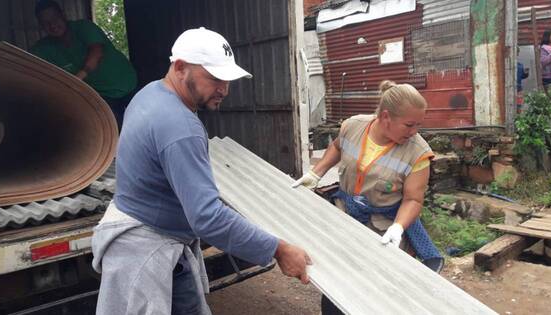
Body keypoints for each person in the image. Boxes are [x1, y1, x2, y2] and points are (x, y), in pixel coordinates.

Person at [90, 27, 311, 315]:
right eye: (215, 78)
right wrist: (278, 249)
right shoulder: (180, 125)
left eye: (227, 79)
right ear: (180, 67)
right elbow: (207, 217)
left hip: (152, 230)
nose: (224, 89)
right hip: (145, 246)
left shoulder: (149, 94)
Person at [293, 81, 443, 314]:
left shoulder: (418, 152)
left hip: (383, 231)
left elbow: (413, 200)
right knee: (339, 280)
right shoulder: (353, 126)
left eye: (418, 125)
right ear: (386, 117)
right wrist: (316, 173)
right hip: (346, 218)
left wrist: (398, 228)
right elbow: (337, 146)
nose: (414, 132)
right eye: (409, 125)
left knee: (378, 288)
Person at [31, 0, 137, 131]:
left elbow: (96, 52)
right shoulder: (44, 48)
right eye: (46, 23)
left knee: (145, 129)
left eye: (55, 19)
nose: (52, 25)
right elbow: (27, 64)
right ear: (41, 26)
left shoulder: (83, 27)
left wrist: (78, 77)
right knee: (115, 133)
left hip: (125, 84)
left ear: (63, 15)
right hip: (102, 96)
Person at [516, 47, 529, 113]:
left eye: (517, 52)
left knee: (519, 105)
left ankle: (518, 119)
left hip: (518, 88)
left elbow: (521, 76)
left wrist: (526, 73)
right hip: (508, 87)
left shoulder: (520, 65)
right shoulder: (506, 64)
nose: (516, 53)